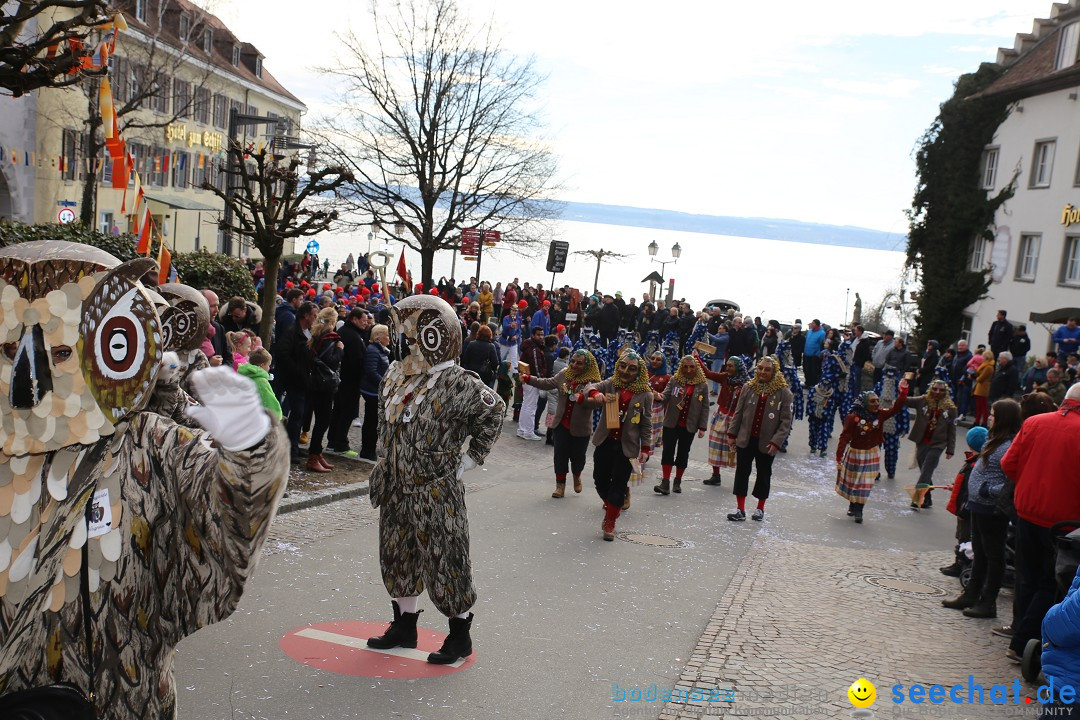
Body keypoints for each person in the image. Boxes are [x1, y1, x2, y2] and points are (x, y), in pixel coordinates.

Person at [0, 242, 288, 718]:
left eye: (63, 351)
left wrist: (251, 452)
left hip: (117, 698)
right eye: (9, 349)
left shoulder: (148, 444)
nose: (31, 373)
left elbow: (221, 517)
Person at [365, 295, 505, 664]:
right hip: (395, 485)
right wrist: (384, 457)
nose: (406, 341)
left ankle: (459, 636)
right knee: (398, 556)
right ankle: (404, 625)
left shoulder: (459, 382)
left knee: (447, 559)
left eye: (414, 334)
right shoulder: (395, 376)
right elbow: (384, 420)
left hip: (435, 488)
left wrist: (473, 456)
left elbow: (494, 410)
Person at [1000, 384, 1080, 664]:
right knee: (1050, 583)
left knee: (1026, 577)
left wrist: (1029, 484)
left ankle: (1019, 636)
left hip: (1027, 512)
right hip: (1065, 522)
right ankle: (1025, 642)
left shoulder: (1034, 423)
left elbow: (1009, 464)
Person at [941, 398, 1022, 618]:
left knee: (993, 556)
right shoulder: (994, 439)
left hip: (992, 508)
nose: (989, 418)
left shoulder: (1008, 445)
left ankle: (988, 603)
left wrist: (987, 490)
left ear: (1003, 418)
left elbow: (1011, 480)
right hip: (978, 505)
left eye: (993, 415)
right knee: (980, 553)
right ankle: (971, 594)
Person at [582, 351, 653, 540]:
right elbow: (590, 386)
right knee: (599, 479)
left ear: (639, 372)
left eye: (632, 368)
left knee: (619, 485)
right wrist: (595, 393)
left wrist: (646, 448)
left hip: (627, 447)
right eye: (622, 366)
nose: (625, 371)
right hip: (605, 441)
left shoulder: (645, 393)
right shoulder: (612, 384)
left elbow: (646, 424)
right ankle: (612, 504)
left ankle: (610, 521)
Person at [521, 349, 603, 497]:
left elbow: (594, 397)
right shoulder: (564, 374)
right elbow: (547, 383)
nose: (574, 365)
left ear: (587, 366)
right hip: (560, 425)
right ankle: (560, 486)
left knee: (578, 458)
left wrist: (594, 397)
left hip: (580, 428)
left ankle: (577, 476)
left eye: (579, 363)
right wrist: (528, 378)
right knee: (560, 456)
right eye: (572, 361)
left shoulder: (591, 382)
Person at [725, 356, 794, 522]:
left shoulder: (784, 392)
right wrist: (732, 434)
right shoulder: (748, 387)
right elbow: (739, 412)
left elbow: (786, 422)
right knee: (742, 473)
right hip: (746, 439)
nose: (763, 372)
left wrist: (776, 441)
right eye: (760, 368)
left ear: (774, 372)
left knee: (764, 474)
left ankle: (760, 508)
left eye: (767, 369)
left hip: (767, 443)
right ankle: (740, 509)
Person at [835, 381, 910, 523]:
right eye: (873, 401)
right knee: (853, 482)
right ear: (864, 404)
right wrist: (839, 456)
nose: (877, 404)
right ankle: (852, 504)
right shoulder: (852, 418)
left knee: (866, 483)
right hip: (855, 453)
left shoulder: (880, 414)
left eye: (877, 400)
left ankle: (859, 510)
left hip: (872, 453)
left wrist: (903, 393)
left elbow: (895, 409)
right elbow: (844, 437)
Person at [654, 355, 710, 496]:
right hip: (671, 423)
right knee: (668, 451)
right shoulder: (675, 380)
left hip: (689, 425)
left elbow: (704, 407)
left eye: (691, 366)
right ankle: (665, 482)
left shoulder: (702, 385)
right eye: (685, 366)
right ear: (681, 367)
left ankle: (677, 480)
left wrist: (702, 427)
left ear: (696, 368)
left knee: (683, 453)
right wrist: (658, 396)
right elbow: (666, 395)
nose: (688, 369)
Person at [905, 379, 958, 509]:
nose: (937, 392)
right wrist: (903, 388)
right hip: (922, 441)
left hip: (938, 444)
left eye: (941, 390)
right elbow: (905, 400)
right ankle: (927, 498)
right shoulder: (923, 400)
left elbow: (952, 429)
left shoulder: (951, 409)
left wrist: (950, 449)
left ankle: (917, 499)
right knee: (925, 471)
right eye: (934, 389)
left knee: (927, 470)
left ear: (945, 392)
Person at [699, 355, 749, 487]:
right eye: (727, 365)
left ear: (738, 368)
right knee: (715, 446)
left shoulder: (747, 385)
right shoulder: (725, 377)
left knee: (735, 450)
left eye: (731, 366)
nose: (727, 368)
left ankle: (740, 479)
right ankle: (716, 476)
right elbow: (708, 373)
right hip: (721, 416)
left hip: (736, 419)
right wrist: (697, 358)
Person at [305, 307, 344, 473]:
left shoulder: (315, 335)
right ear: (333, 322)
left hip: (315, 381)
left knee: (321, 420)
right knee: (323, 421)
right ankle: (313, 455)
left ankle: (317, 452)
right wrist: (340, 349)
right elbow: (331, 361)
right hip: (325, 384)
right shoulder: (330, 338)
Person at [278, 302, 317, 463]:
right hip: (295, 381)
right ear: (305, 316)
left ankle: (294, 445)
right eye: (314, 315)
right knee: (296, 415)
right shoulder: (292, 333)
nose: (316, 318)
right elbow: (283, 354)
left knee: (301, 416)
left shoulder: (308, 332)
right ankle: (290, 448)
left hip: (305, 380)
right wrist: (298, 371)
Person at [328, 307, 370, 455]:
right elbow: (356, 361)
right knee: (345, 412)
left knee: (338, 411)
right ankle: (341, 443)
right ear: (354, 319)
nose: (366, 324)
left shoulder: (349, 332)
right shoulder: (352, 336)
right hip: (349, 380)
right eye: (363, 320)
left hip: (345, 379)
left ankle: (333, 441)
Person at [358, 324, 391, 461]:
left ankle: (370, 448)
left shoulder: (382, 350)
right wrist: (384, 384)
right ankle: (367, 449)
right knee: (371, 421)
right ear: (379, 337)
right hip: (372, 391)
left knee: (374, 421)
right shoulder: (373, 350)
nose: (389, 339)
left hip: (377, 390)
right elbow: (371, 371)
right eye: (387, 336)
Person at [517, 326, 548, 441]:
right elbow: (536, 366)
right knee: (531, 407)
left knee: (526, 405)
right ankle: (528, 432)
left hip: (527, 378)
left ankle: (522, 430)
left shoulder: (531, 346)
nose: (541, 337)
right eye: (539, 335)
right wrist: (540, 381)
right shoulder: (534, 349)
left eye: (542, 334)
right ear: (533, 335)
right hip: (532, 380)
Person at [238, 347, 283, 420]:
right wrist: (277, 416)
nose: (269, 368)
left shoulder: (242, 375)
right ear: (262, 365)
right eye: (268, 365)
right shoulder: (261, 382)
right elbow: (269, 400)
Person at [646, 351, 671, 458]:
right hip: (642, 406)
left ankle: (646, 455)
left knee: (651, 434)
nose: (654, 361)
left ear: (663, 362)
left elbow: (668, 396)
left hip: (656, 410)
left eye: (658, 359)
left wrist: (659, 396)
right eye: (652, 358)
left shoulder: (667, 377)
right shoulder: (643, 372)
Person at [462, 324, 501, 388]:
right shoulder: (491, 346)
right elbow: (495, 363)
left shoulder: (471, 344)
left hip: (472, 373)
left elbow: (465, 359)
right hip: (485, 376)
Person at [973, 350, 995, 426]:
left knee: (983, 406)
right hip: (980, 387)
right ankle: (978, 421)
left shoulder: (988, 367)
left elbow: (981, 378)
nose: (982, 358)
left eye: (984, 356)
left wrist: (975, 377)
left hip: (983, 387)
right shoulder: (985, 365)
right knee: (979, 406)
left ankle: (983, 422)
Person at [802, 319, 826, 388]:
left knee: (813, 370)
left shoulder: (822, 333)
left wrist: (818, 354)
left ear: (817, 324)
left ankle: (813, 384)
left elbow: (822, 344)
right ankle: (807, 382)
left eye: (813, 323)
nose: (811, 324)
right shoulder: (809, 331)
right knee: (806, 369)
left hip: (814, 355)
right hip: (806, 353)